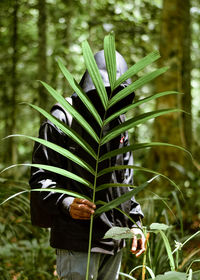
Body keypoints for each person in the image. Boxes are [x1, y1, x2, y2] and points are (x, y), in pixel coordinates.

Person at [29, 49, 146, 280]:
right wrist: (66, 202)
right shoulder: (62, 118)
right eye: (104, 90)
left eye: (116, 93)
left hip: (115, 238)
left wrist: (135, 221)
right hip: (77, 239)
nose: (109, 98)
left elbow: (125, 180)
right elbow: (40, 177)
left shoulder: (119, 124)